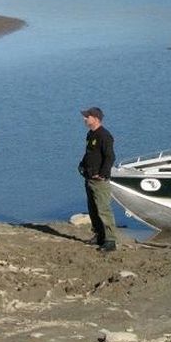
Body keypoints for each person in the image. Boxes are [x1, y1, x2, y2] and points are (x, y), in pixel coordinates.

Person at [78, 106, 117, 251]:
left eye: (87, 117)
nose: (84, 119)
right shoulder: (90, 134)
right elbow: (89, 153)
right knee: (93, 209)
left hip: (99, 180)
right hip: (89, 177)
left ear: (95, 118)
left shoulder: (104, 136)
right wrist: (82, 165)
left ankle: (110, 241)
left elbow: (110, 157)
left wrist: (103, 174)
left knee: (103, 209)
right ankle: (99, 235)